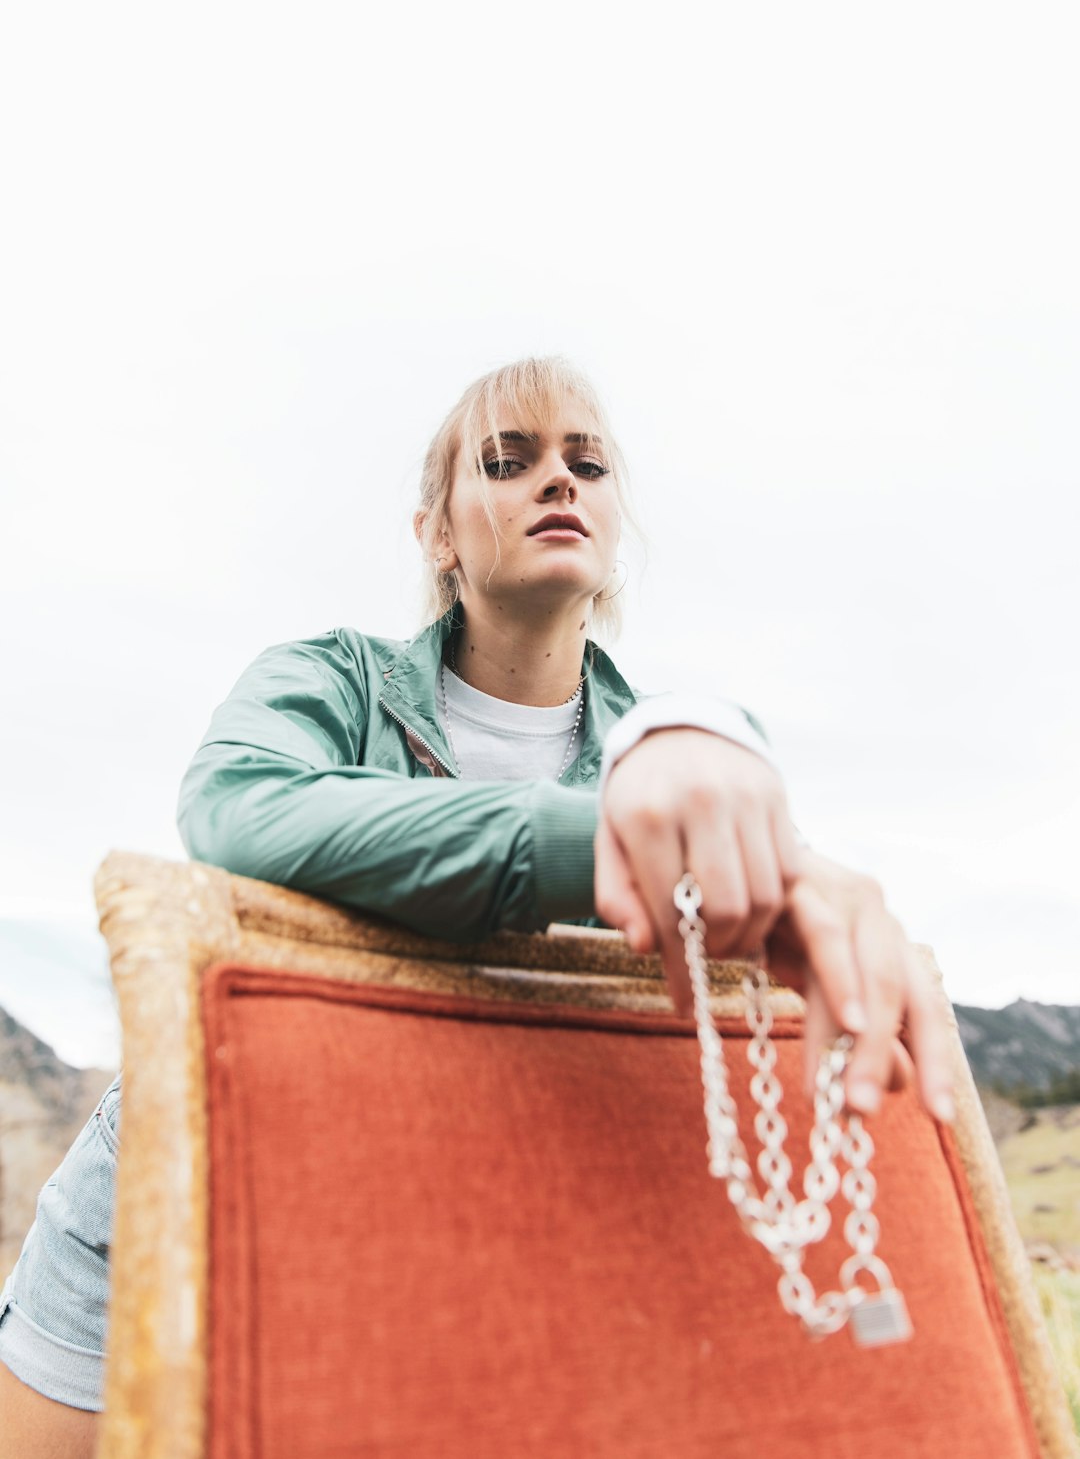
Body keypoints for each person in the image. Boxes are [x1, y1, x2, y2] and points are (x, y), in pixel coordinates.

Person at [0, 355, 954, 1451]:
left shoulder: (675, 755)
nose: (560, 481)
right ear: (439, 537)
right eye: (511, 461)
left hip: (463, 1233)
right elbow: (238, 808)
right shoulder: (329, 679)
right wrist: (596, 846)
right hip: (169, 1192)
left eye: (586, 462)